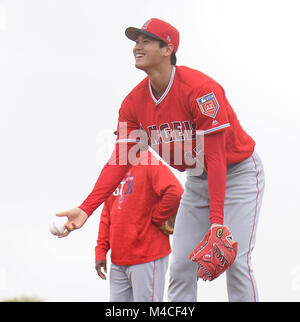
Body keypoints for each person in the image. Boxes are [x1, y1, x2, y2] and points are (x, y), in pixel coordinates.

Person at [57, 18, 265, 302]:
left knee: (236, 263)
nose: (137, 47)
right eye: (135, 41)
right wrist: (86, 208)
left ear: (167, 49)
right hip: (197, 177)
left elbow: (216, 157)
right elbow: (120, 161)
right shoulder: (133, 104)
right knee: (180, 265)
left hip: (238, 172)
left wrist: (217, 222)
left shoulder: (200, 89)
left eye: (145, 41)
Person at [94, 148, 183, 302]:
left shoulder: (149, 162)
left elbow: (175, 192)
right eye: (119, 134)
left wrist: (157, 217)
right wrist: (101, 250)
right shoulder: (115, 166)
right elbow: (107, 213)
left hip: (147, 254)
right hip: (119, 259)